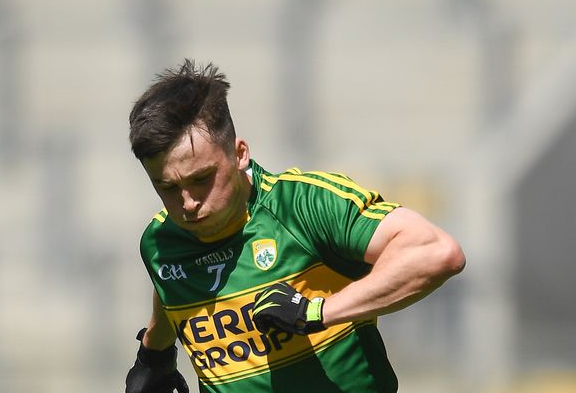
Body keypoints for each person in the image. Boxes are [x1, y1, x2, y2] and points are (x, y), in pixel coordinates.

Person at [124, 59, 465, 393]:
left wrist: (317, 312)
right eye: (167, 187)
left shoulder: (303, 206)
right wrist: (154, 354)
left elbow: (436, 253)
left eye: (202, 179)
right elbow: (174, 284)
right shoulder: (160, 242)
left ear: (239, 153)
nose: (188, 203)